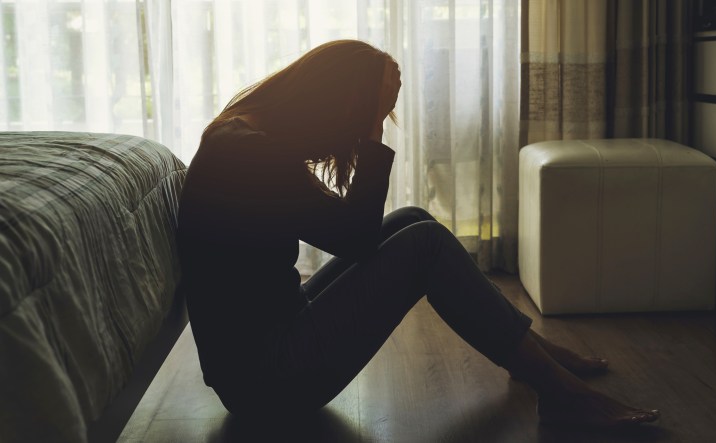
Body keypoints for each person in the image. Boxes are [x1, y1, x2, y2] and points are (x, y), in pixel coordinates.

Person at [176, 39, 660, 429]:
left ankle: (528, 354)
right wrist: (371, 132)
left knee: (411, 220)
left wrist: (370, 111)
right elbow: (357, 238)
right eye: (366, 115)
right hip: (271, 381)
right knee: (423, 245)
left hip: (260, 361)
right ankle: (560, 392)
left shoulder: (242, 137)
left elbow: (349, 233)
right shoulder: (250, 153)